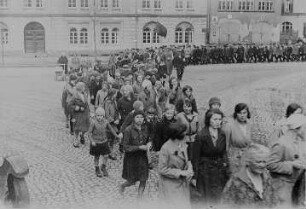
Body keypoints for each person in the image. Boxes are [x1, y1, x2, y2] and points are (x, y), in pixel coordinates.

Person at [192, 109, 229, 206]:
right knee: (206, 199)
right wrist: (194, 176)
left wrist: (225, 163)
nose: (218, 122)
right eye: (215, 119)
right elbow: (195, 158)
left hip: (219, 171)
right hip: (205, 172)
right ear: (208, 120)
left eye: (220, 119)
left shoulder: (222, 134)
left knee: (218, 198)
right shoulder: (201, 136)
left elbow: (224, 151)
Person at [267, 114, 306, 207]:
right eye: (305, 126)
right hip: (283, 185)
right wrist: (291, 165)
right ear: (297, 128)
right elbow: (270, 164)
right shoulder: (281, 143)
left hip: (297, 183)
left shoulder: (299, 141)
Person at [221, 144, 276, 208]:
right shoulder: (236, 180)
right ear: (248, 162)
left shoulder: (267, 177)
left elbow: (274, 200)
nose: (262, 165)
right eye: (258, 162)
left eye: (264, 162)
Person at [158, 122, 193, 209]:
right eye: (184, 133)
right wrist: (181, 173)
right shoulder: (165, 148)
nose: (186, 134)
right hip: (171, 186)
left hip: (183, 185)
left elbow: (187, 159)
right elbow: (162, 169)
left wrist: (190, 166)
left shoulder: (183, 143)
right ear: (177, 134)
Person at [119, 111, 151, 199]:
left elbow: (148, 139)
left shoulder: (145, 128)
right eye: (137, 117)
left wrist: (149, 143)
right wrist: (139, 147)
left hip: (143, 158)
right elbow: (125, 147)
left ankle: (139, 199)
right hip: (131, 159)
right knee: (131, 181)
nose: (140, 119)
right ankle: (122, 186)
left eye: (141, 117)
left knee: (143, 179)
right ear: (133, 118)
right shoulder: (128, 130)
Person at [87, 107, 122, 177]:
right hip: (96, 142)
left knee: (106, 155)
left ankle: (103, 167)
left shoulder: (106, 122)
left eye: (101, 116)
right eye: (98, 116)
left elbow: (111, 129)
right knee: (97, 156)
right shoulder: (93, 123)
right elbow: (89, 133)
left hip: (104, 141)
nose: (99, 117)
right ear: (96, 116)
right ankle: (97, 168)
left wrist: (117, 135)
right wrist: (92, 141)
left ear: (103, 116)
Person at [224, 103, 253, 175]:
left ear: (247, 113)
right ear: (236, 114)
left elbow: (249, 140)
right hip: (234, 157)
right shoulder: (229, 125)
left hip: (246, 156)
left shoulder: (249, 124)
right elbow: (226, 145)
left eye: (244, 113)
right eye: (239, 113)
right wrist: (226, 160)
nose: (242, 115)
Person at [68, 82, 90, 147]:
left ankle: (82, 135)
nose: (84, 88)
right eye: (83, 87)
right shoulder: (74, 96)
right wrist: (76, 108)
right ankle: (75, 140)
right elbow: (69, 105)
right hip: (78, 115)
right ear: (80, 88)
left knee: (86, 127)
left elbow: (86, 104)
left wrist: (89, 111)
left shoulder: (84, 94)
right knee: (77, 128)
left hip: (85, 114)